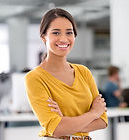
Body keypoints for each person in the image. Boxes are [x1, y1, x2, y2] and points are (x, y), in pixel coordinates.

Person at [25, 8, 108, 140]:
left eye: (69, 33)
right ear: (43, 37)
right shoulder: (35, 78)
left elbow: (103, 121)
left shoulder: (84, 72)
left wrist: (65, 122)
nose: (63, 39)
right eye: (56, 33)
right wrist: (93, 113)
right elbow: (56, 129)